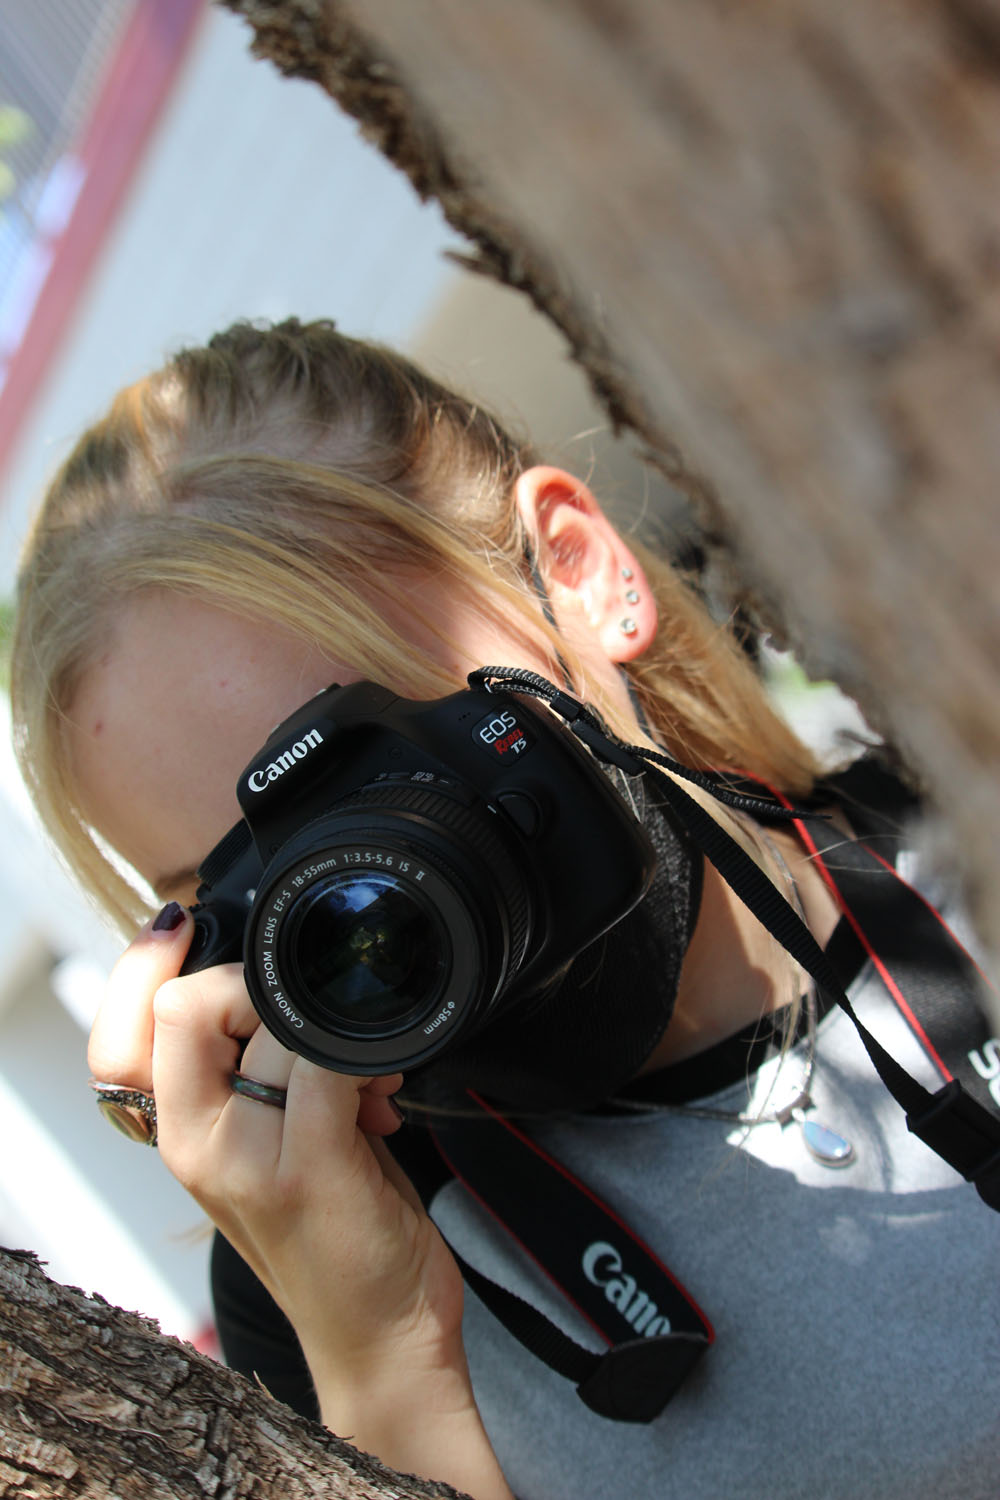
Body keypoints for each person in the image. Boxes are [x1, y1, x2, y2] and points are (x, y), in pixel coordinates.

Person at [10, 319, 998, 1500]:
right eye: (247, 874)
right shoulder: (327, 1267)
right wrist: (381, 1357)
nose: (366, 898)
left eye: (371, 782)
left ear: (580, 572)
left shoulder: (962, 823)